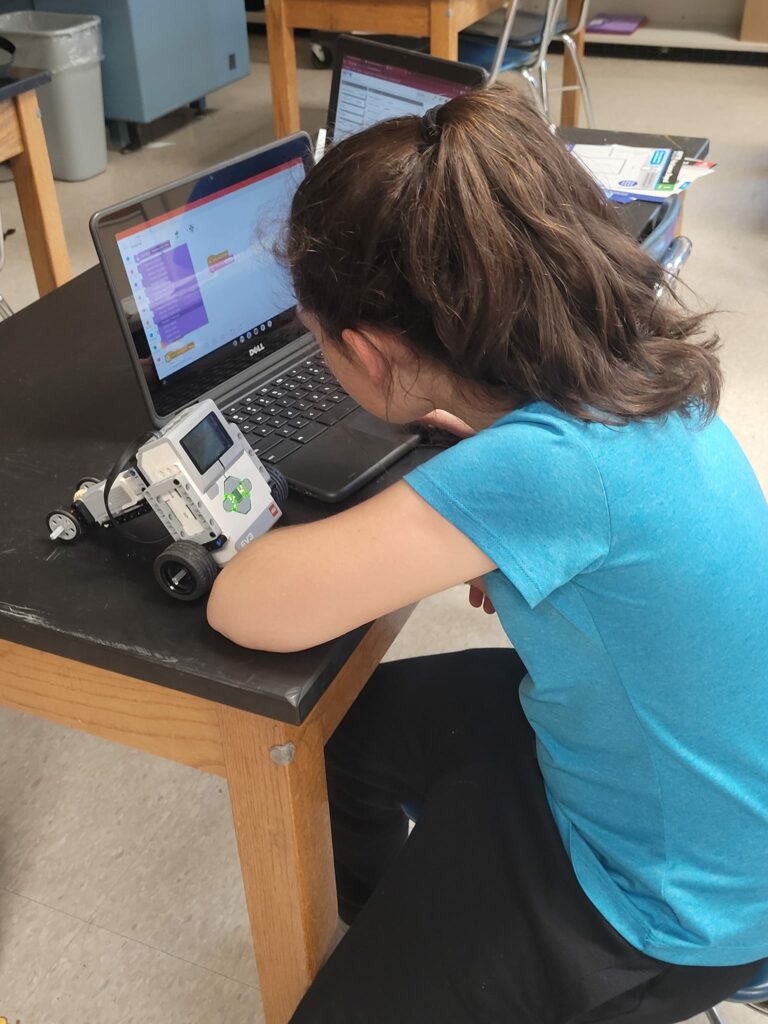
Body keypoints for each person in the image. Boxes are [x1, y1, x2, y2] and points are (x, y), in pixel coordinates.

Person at [206, 85, 768, 1023]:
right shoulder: (634, 363)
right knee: (343, 740)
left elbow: (248, 606)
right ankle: (404, 938)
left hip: (675, 905)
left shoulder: (538, 477)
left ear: (372, 355)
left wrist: (472, 501)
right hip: (697, 780)